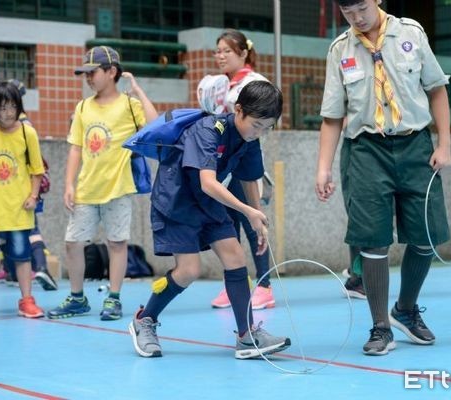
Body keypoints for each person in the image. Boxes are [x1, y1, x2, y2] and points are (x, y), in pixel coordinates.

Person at [316, 0, 451, 355]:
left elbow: (436, 89)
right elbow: (332, 115)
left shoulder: (411, 33)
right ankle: (380, 327)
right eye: (348, 13)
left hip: (416, 147)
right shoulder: (340, 50)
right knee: (372, 241)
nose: (357, 18)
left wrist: (444, 144)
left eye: (361, 7)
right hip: (365, 151)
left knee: (426, 236)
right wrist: (323, 167)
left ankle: (405, 309)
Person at [128, 80, 291, 359]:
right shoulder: (207, 130)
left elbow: (248, 177)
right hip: (176, 203)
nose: (259, 132)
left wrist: (256, 218)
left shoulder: (250, 138)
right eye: (256, 125)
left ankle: (246, 336)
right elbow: (207, 182)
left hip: (209, 205)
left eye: (268, 127)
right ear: (238, 110)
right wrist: (247, 211)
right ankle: (145, 318)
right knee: (189, 271)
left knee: (235, 257)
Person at [47, 46, 157, 320]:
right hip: (87, 189)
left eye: (92, 72)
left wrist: (138, 90)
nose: (88, 78)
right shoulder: (83, 107)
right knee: (73, 242)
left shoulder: (129, 105)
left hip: (118, 188)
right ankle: (77, 297)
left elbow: (155, 125)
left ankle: (114, 298)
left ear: (111, 72)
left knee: (117, 243)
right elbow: (75, 148)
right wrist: (69, 184)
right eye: (85, 73)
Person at [207, 29, 275, 310]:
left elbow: (261, 126)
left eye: (227, 51)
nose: (220, 56)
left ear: (243, 53)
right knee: (227, 226)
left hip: (244, 162)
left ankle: (265, 286)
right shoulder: (217, 85)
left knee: (252, 222)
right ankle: (236, 283)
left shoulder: (255, 82)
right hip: (222, 167)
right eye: (217, 51)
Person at [0, 79, 57, 291]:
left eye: (12, 107)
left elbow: (37, 170)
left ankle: (27, 300)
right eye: (2, 108)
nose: (8, 113)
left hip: (19, 209)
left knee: (22, 257)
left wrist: (33, 196)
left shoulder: (28, 133)